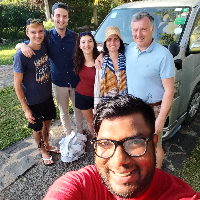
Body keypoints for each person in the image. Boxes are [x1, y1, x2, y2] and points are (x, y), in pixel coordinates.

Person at [43, 95, 200, 200]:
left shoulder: (178, 195)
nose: (119, 161)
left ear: (153, 143)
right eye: (105, 143)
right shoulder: (86, 184)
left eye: (134, 142)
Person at [15, 2, 84, 136]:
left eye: (64, 16)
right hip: (58, 83)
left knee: (78, 109)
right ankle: (69, 136)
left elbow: (89, 48)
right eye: (58, 16)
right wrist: (22, 46)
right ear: (52, 16)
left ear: (68, 18)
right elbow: (29, 40)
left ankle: (80, 132)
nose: (61, 19)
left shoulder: (76, 37)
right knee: (63, 112)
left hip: (76, 81)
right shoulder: (45, 36)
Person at [125, 12, 175, 169]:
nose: (138, 34)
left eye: (143, 29)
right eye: (135, 30)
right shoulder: (129, 49)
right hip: (133, 107)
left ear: (152, 29)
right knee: (136, 142)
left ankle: (157, 176)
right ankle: (141, 170)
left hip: (154, 109)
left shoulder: (163, 55)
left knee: (155, 145)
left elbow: (169, 90)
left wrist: (160, 119)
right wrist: (99, 58)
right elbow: (109, 53)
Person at [13, 18, 60, 166]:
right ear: (27, 33)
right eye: (33, 32)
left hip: (46, 96)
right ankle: (42, 150)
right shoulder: (21, 56)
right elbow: (17, 85)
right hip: (32, 101)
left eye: (40, 31)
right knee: (37, 127)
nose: (37, 35)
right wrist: (25, 109)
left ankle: (47, 144)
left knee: (47, 122)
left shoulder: (44, 46)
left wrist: (21, 44)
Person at [94, 26, 127, 108]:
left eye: (116, 39)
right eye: (109, 39)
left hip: (125, 106)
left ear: (120, 41)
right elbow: (97, 88)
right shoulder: (101, 63)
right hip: (107, 107)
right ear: (105, 43)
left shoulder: (127, 61)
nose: (112, 42)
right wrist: (96, 108)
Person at [73, 32, 99, 137]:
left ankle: (103, 137)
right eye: (83, 42)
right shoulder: (78, 60)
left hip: (98, 97)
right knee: (90, 120)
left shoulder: (100, 59)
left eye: (90, 41)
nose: (87, 45)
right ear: (79, 45)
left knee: (100, 119)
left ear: (94, 43)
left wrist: (101, 55)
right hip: (82, 96)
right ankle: (95, 138)